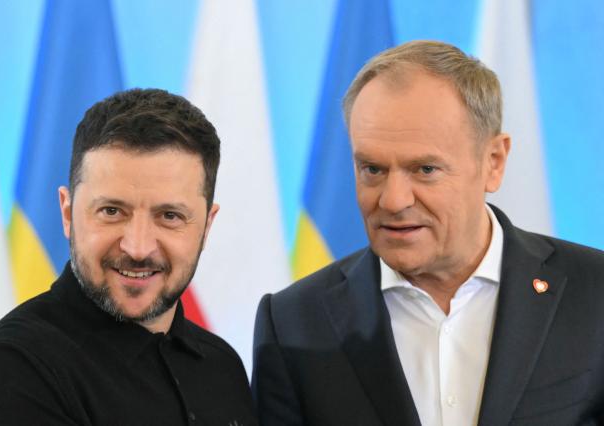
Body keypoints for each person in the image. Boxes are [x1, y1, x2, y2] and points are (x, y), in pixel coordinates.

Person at [252, 40, 604, 425]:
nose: (393, 200)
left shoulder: (593, 292)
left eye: (425, 169)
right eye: (372, 169)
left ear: (493, 162)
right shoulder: (293, 323)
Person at [0, 89, 256, 425]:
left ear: (207, 225)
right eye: (112, 211)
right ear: (68, 213)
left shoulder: (223, 366)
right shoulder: (10, 368)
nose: (138, 247)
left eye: (170, 216)